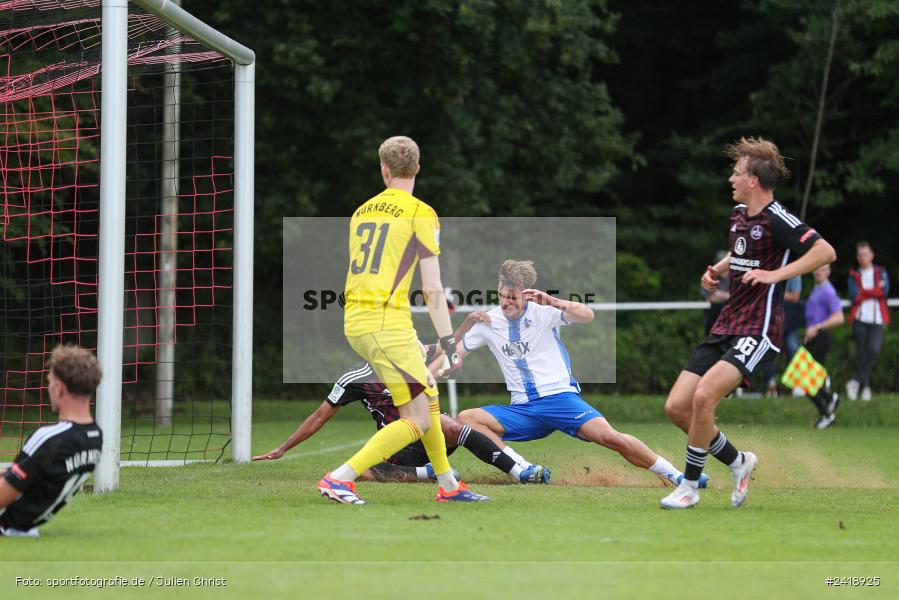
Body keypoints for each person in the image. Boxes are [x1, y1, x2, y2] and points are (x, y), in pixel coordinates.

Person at [661, 137, 836, 510]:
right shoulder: (740, 216)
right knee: (677, 407)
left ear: (754, 179)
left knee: (704, 396)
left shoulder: (779, 218)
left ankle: (689, 487)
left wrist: (777, 275)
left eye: (737, 172)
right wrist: (718, 270)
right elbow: (741, 252)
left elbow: (825, 251)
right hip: (726, 324)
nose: (731, 179)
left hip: (758, 330)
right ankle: (739, 463)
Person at [318, 136, 487, 504]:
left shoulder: (361, 212)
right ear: (418, 169)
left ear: (384, 170)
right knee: (418, 420)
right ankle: (340, 477)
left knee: (428, 395)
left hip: (363, 320)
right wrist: (447, 344)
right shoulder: (421, 212)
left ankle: (447, 484)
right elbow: (431, 288)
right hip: (385, 324)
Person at [453, 260, 705, 490]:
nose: (505, 302)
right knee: (467, 417)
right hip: (523, 410)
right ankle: (524, 470)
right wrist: (446, 363)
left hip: (559, 399)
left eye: (512, 297)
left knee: (610, 438)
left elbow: (587, 315)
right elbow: (455, 353)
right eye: (501, 296)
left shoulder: (543, 310)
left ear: (527, 295)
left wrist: (551, 300)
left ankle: (678, 477)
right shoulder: (488, 320)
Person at [254, 357, 550, 484]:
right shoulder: (353, 379)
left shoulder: (408, 356)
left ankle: (519, 473)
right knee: (369, 470)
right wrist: (282, 448)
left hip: (429, 433)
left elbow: (445, 351)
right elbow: (319, 416)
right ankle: (429, 473)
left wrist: (465, 328)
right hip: (399, 445)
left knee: (455, 426)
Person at [0, 345, 103, 537]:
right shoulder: (95, 437)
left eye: (49, 381)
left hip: (7, 525)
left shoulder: (49, 438)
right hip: (27, 525)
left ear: (59, 387)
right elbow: (37, 472)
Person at [845, 241, 890, 402]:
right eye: (859, 255)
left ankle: (855, 382)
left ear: (872, 255)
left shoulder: (881, 272)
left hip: (877, 319)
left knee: (874, 349)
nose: (862, 258)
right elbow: (853, 296)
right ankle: (865, 388)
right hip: (860, 318)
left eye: (865, 254)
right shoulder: (854, 275)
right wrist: (874, 291)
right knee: (862, 354)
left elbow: (884, 292)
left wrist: (864, 292)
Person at [802, 264, 844, 429]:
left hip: (821, 337)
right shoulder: (817, 288)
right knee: (806, 380)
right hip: (813, 338)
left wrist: (817, 327)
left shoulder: (827, 290)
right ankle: (829, 400)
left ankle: (827, 412)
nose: (819, 271)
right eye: (817, 268)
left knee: (808, 381)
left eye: (823, 268)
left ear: (828, 271)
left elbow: (839, 317)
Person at [701, 250, 730, 336]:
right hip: (713, 318)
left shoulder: (734, 278)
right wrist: (726, 296)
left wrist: (720, 295)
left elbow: (737, 297)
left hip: (730, 318)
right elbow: (709, 298)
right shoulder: (711, 277)